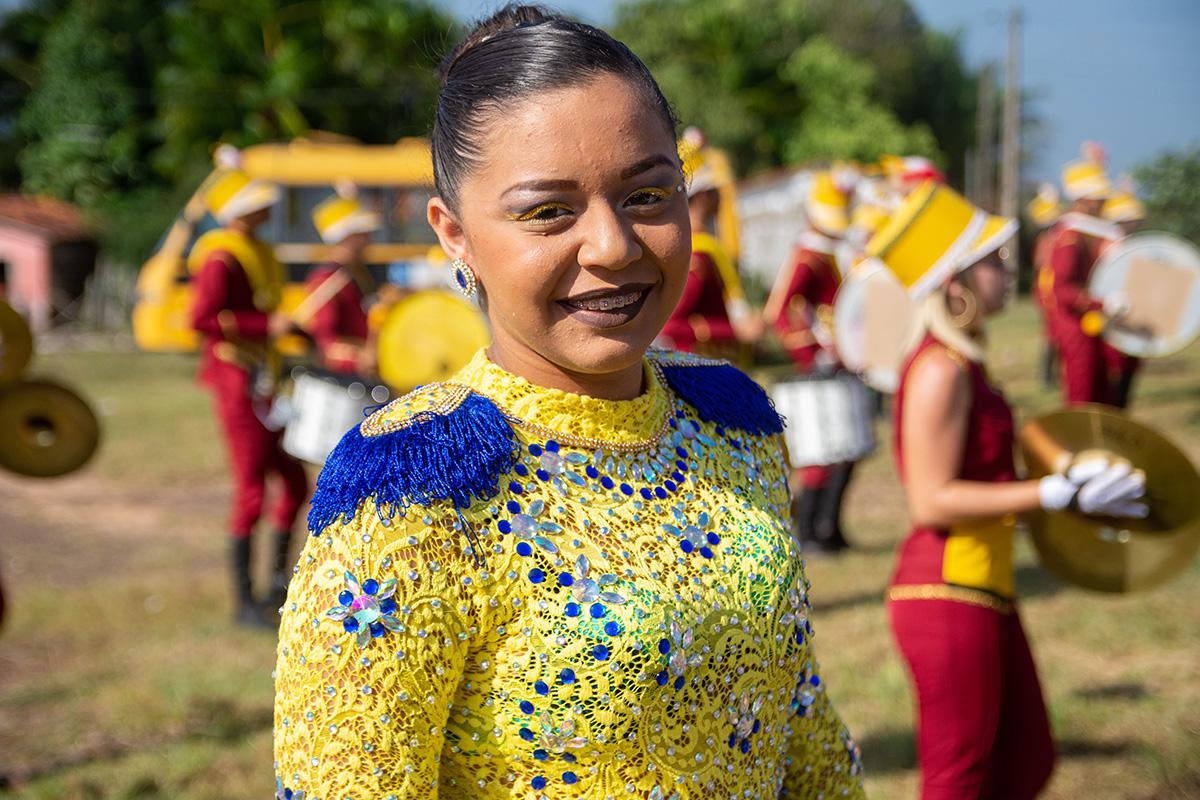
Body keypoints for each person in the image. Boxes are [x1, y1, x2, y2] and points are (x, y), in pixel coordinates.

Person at [273, 7, 865, 798]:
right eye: (548, 211)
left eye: (649, 196)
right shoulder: (415, 492)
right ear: (455, 235)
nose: (614, 247)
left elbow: (799, 715)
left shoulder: (734, 426)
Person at [868, 181, 1147, 799]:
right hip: (945, 589)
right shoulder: (940, 368)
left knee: (1026, 763)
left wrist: (1072, 481)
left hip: (984, 586)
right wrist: (1050, 495)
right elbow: (932, 500)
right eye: (991, 259)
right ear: (954, 281)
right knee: (959, 782)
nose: (1008, 269)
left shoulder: (966, 362)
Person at [189, 163, 310, 627]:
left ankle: (276, 586)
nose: (269, 208)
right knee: (252, 491)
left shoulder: (257, 250)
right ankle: (245, 602)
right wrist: (264, 326)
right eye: (259, 204)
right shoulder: (220, 257)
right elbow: (200, 319)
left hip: (265, 378)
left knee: (294, 482)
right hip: (237, 380)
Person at [764, 171, 856, 554]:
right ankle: (811, 531)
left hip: (841, 357)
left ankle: (830, 528)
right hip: (819, 364)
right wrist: (809, 350)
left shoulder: (829, 252)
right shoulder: (808, 255)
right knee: (821, 452)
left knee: (847, 448)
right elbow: (782, 310)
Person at [1042, 145, 1125, 405]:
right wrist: (1102, 304)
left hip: (1086, 325)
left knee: (1101, 395)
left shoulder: (1082, 234)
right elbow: (1063, 290)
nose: (1103, 206)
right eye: (1098, 201)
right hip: (1074, 326)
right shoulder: (1070, 238)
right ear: (1083, 201)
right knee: (1083, 398)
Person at [659, 158, 762, 359]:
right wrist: (735, 331)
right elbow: (670, 323)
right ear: (702, 196)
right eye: (714, 191)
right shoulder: (698, 256)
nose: (721, 196)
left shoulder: (706, 248)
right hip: (699, 365)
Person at [302, 189, 381, 377]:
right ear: (347, 236)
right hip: (345, 380)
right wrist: (358, 359)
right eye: (363, 233)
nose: (368, 239)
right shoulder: (326, 280)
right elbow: (326, 343)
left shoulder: (356, 274)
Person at [1099, 186, 1147, 408]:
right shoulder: (1108, 246)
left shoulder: (1131, 245)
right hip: (1113, 323)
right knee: (1113, 383)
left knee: (1126, 379)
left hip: (1132, 319)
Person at [1027, 183, 1063, 389]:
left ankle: (1054, 375)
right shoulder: (1045, 240)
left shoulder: (1055, 237)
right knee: (1050, 333)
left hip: (1051, 286)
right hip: (1046, 289)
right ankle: (1047, 375)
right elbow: (1041, 264)